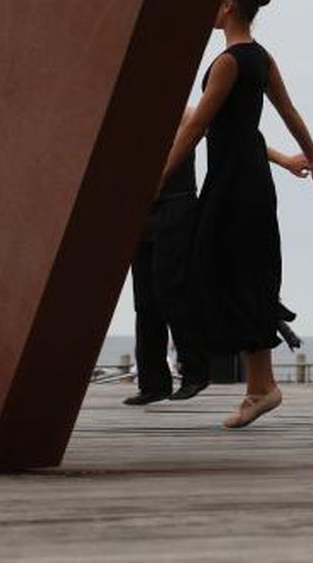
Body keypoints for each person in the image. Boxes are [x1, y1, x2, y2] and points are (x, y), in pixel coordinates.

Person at [160, 0, 313, 428]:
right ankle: (257, 386)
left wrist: (159, 179)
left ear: (229, 6)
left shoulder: (228, 62)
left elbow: (196, 128)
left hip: (233, 181)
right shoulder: (261, 58)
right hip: (248, 176)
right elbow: (284, 113)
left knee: (221, 270)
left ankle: (251, 384)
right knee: (242, 272)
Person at [124, 111, 211, 405]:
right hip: (143, 210)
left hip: (178, 206)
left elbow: (233, 136)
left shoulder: (188, 115)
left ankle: (195, 372)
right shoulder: (133, 119)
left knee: (169, 291)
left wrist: (285, 160)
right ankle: (153, 384)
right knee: (144, 301)